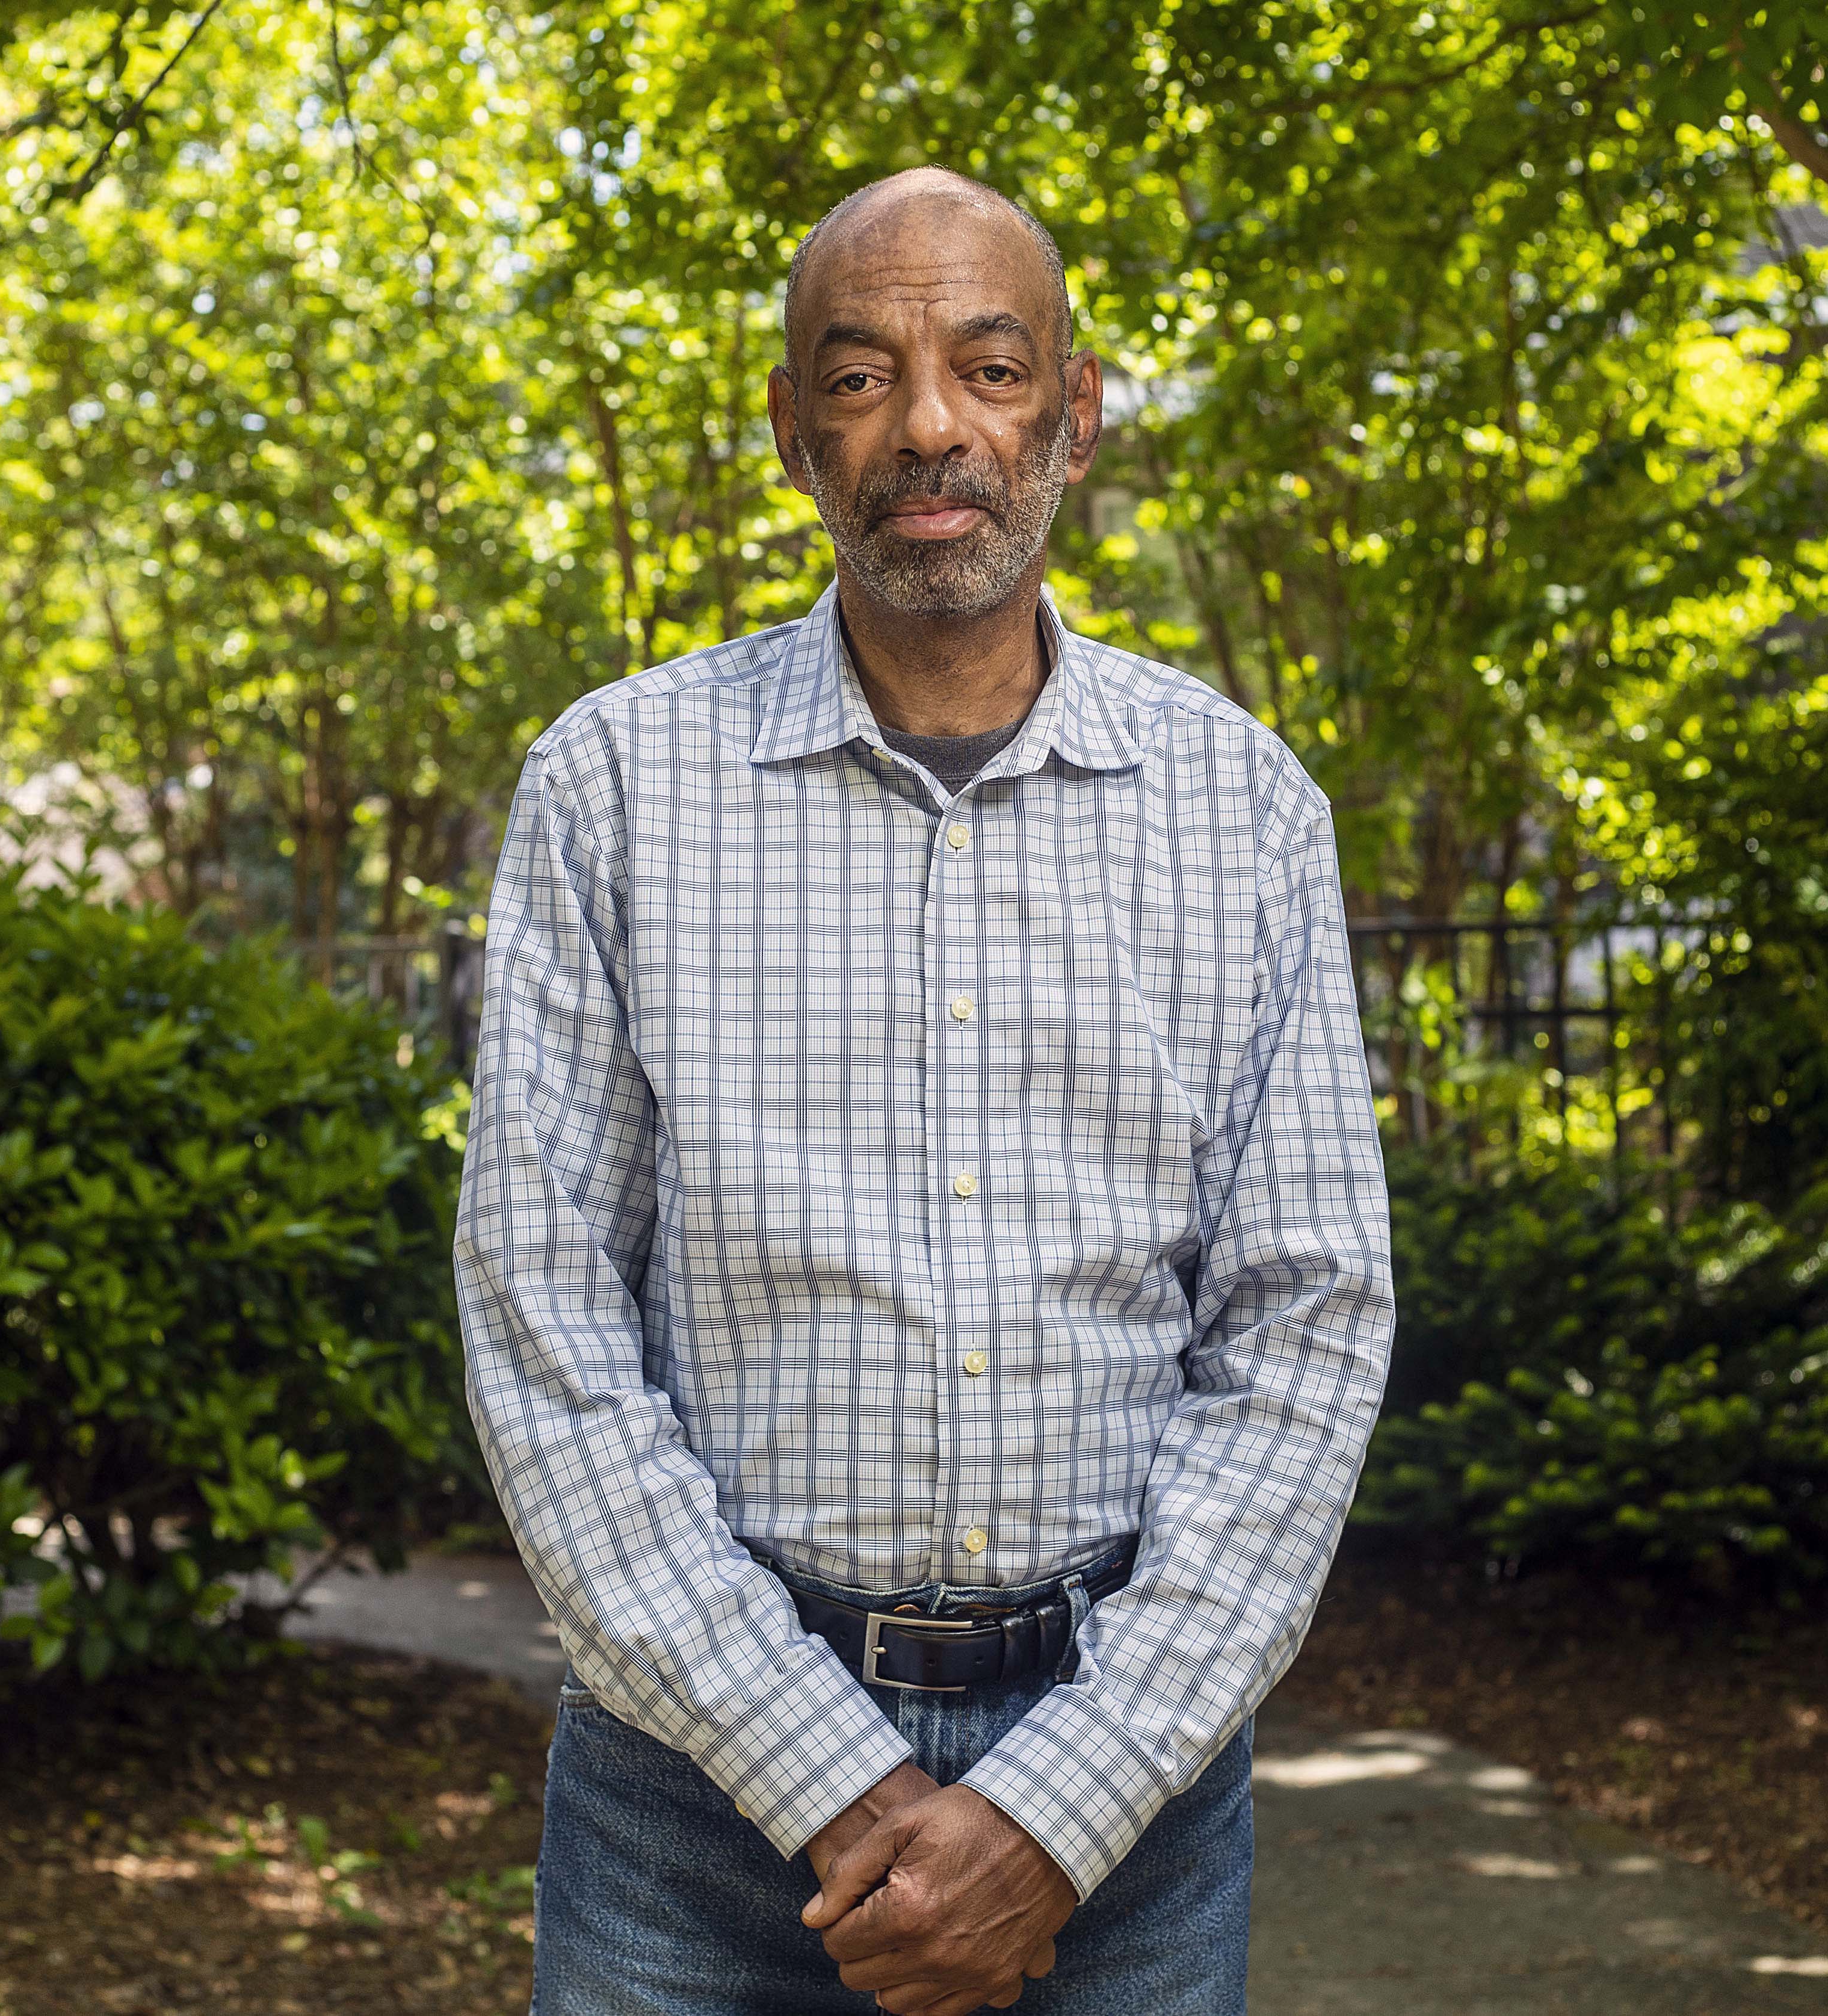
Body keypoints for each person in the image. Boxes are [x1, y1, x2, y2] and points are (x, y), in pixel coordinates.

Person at [455, 165, 1394, 2016]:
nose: (934, 429)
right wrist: (838, 1784)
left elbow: (1309, 1329)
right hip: (687, 1814)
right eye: (864, 375)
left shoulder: (1245, 809)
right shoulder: (616, 788)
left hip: (1128, 1792)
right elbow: (542, 1323)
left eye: (989, 365)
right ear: (793, 426)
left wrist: (1061, 1806)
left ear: (1077, 406)